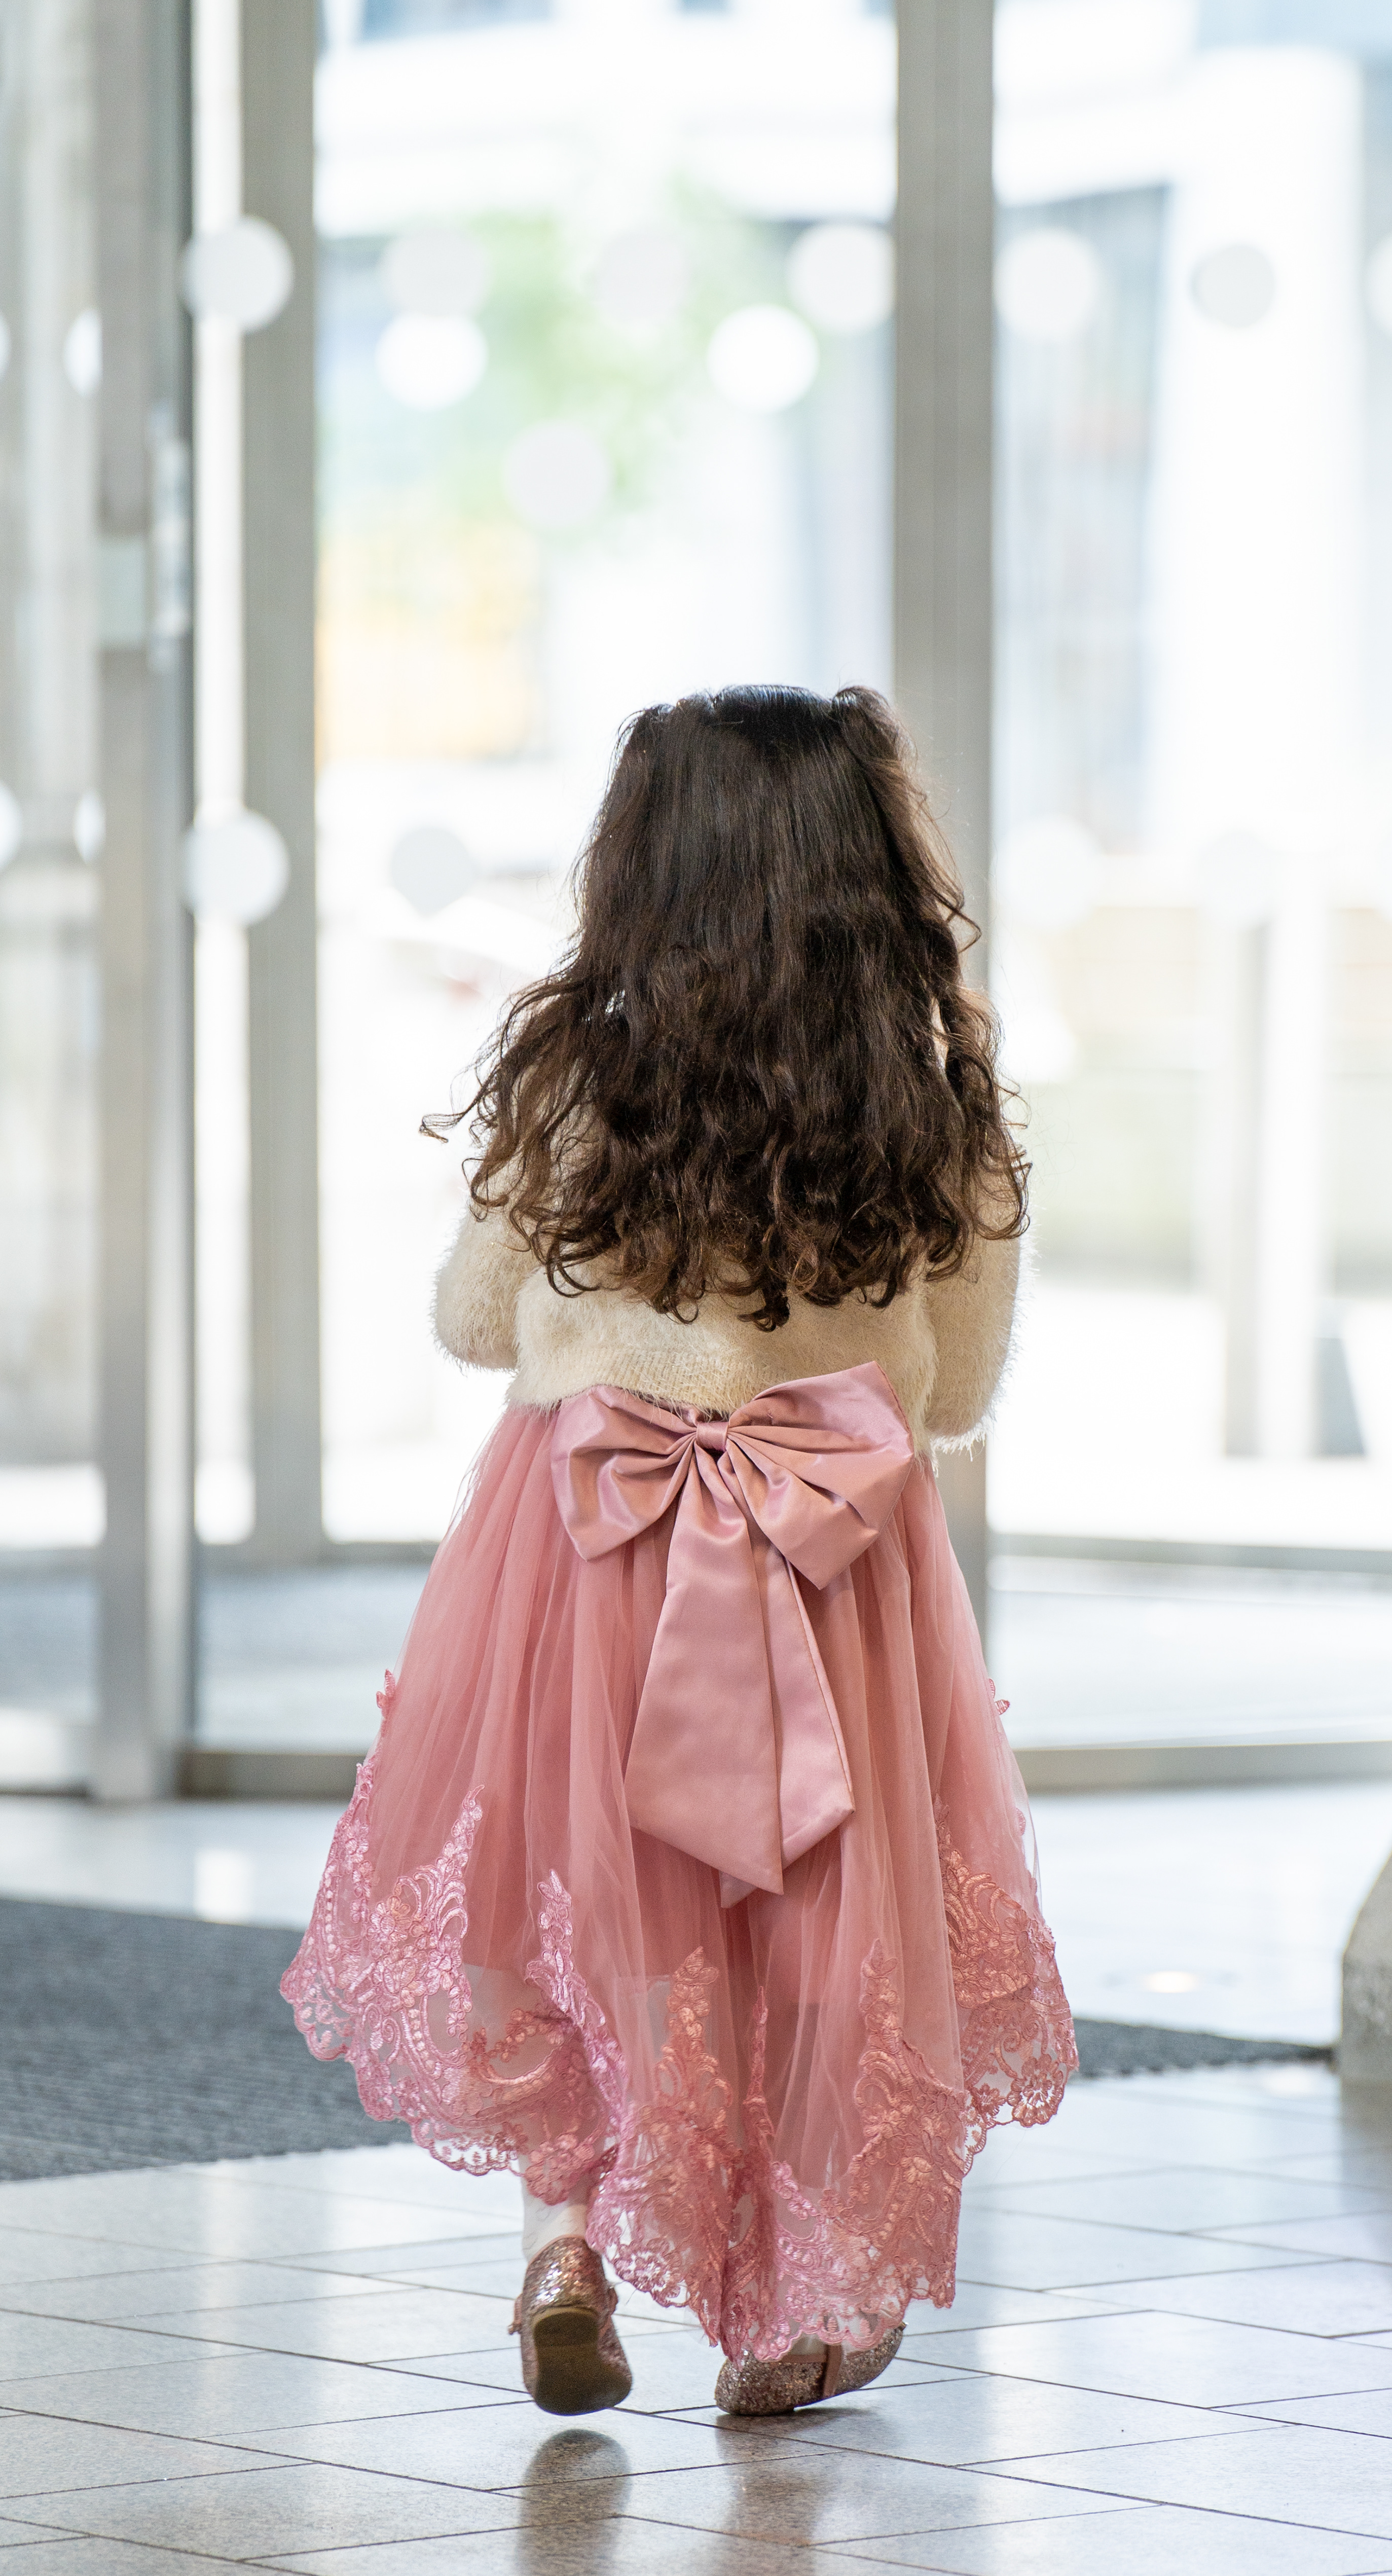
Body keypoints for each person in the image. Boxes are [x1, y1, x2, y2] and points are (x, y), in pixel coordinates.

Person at [283, 684, 1075, 2420]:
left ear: (645, 865)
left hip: (589, 1541)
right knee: (804, 1923)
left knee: (565, 1893)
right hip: (828, 1555)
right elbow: (962, 1394)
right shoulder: (938, 1101)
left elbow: (476, 1323)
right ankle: (784, 2316)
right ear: (875, 870)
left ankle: (567, 2243)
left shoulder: (580, 1070)